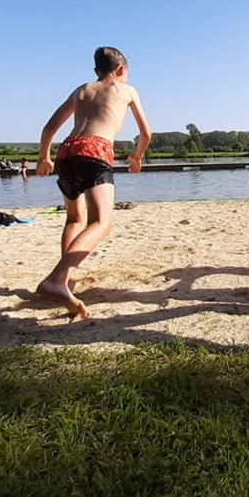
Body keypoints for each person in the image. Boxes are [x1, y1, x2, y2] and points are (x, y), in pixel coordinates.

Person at [35, 46, 151, 318]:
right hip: (95, 150)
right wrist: (136, 156)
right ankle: (58, 279)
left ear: (97, 71)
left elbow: (50, 127)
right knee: (101, 222)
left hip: (66, 151)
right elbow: (145, 133)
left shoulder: (82, 89)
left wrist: (44, 158)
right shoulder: (127, 90)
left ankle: (68, 280)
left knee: (74, 219)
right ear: (122, 70)